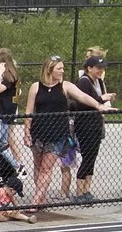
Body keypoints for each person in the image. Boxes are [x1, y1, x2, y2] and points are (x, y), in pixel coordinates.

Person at [23, 56, 111, 210]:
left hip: (57, 133)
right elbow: (29, 111)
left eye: (62, 68)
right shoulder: (35, 87)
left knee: (46, 167)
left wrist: (99, 105)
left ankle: (35, 201)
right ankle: (41, 197)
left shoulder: (65, 86)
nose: (62, 71)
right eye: (59, 68)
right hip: (38, 131)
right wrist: (26, 131)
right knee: (37, 165)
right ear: (50, 69)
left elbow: (82, 97)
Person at [69, 56, 114, 203]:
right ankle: (79, 191)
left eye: (102, 68)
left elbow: (98, 99)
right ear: (89, 68)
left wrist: (104, 100)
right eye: (98, 68)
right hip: (85, 124)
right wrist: (102, 98)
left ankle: (87, 189)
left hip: (96, 123)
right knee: (87, 156)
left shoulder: (98, 81)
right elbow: (84, 102)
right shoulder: (84, 82)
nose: (100, 71)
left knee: (92, 157)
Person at [0, 48, 25, 170]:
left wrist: (0, 72)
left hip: (5, 112)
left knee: (1, 143)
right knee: (5, 140)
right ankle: (10, 166)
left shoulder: (9, 77)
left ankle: (17, 166)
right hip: (3, 111)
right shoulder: (11, 76)